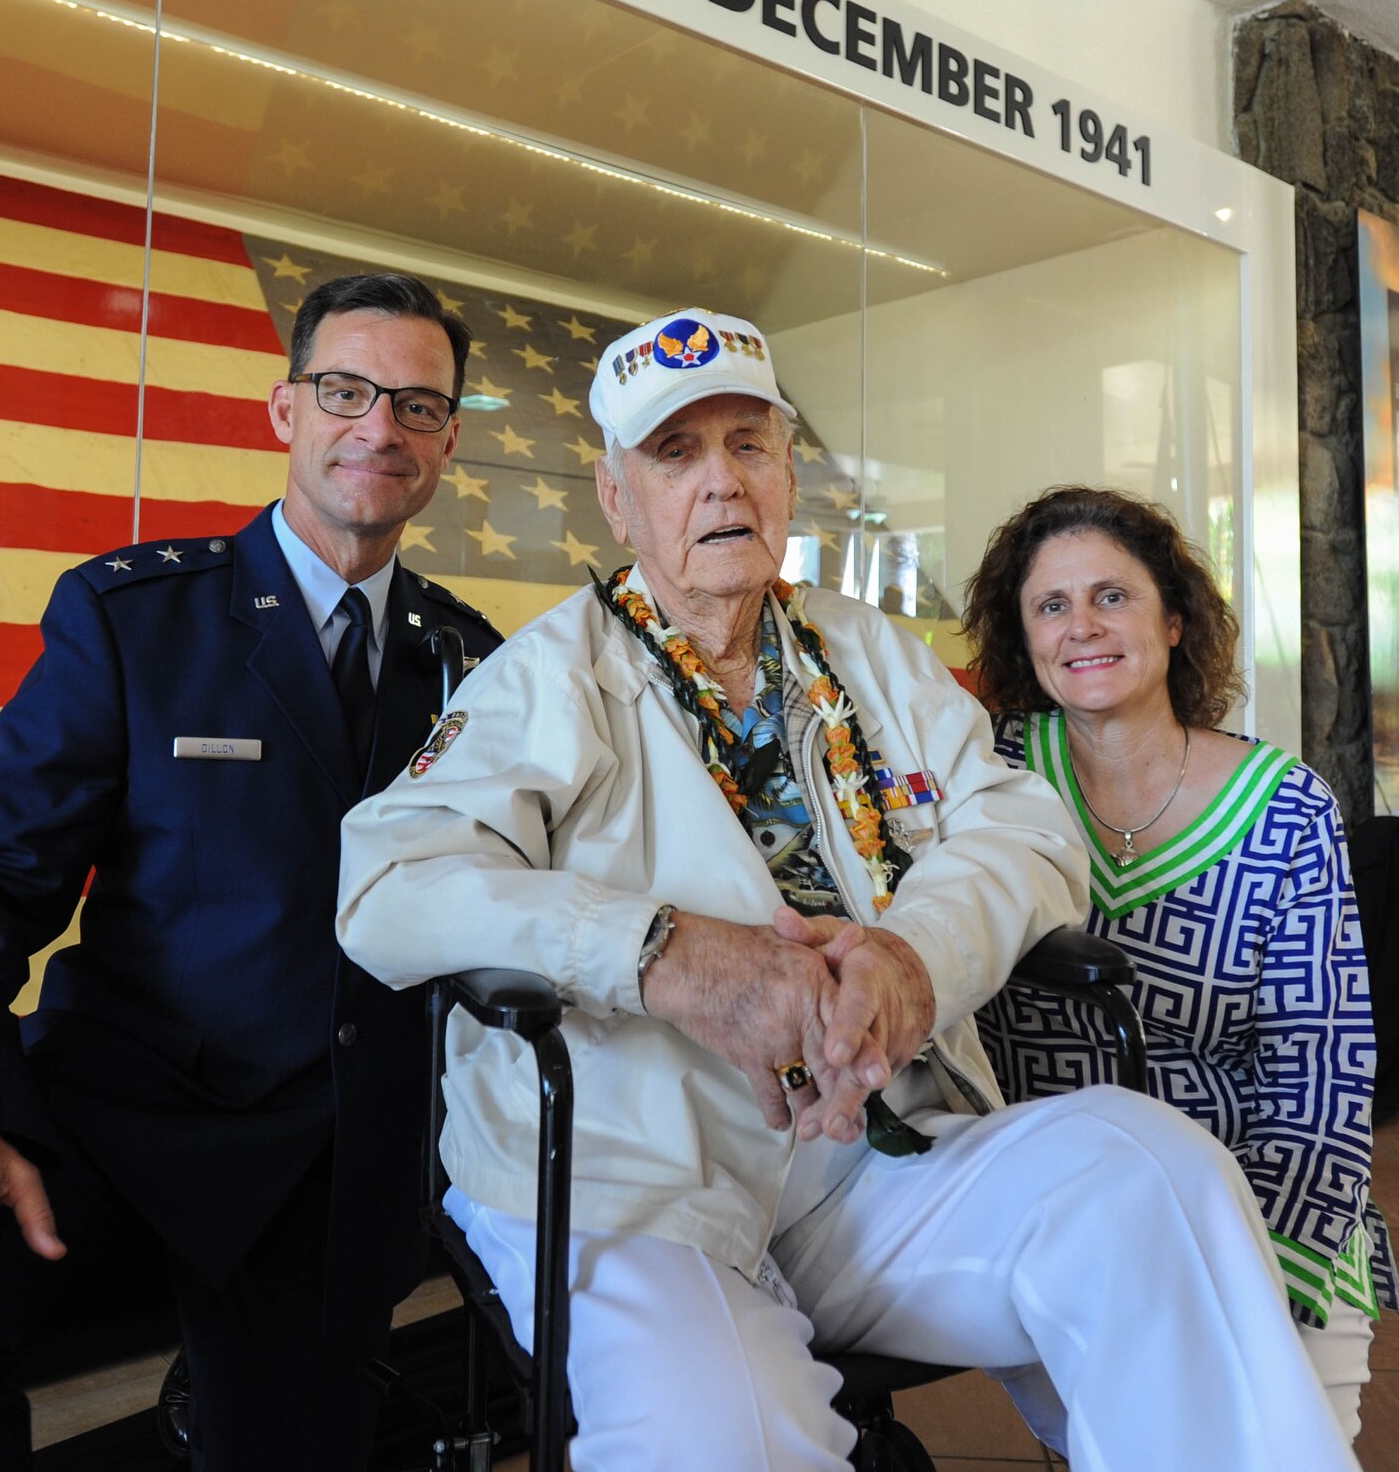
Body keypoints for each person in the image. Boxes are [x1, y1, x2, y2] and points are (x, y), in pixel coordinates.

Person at [336, 307, 1358, 1472]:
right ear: (617, 499)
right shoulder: (547, 674)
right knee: (724, 1436)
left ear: (783, 472)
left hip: (878, 1149)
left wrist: (912, 957)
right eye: (675, 453)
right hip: (636, 1179)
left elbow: (1019, 823)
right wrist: (660, 952)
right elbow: (387, 882)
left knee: (1146, 1174)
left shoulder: (861, 649)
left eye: (748, 443)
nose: (720, 481)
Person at [0, 271, 502, 1470]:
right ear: (285, 409)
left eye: (417, 404)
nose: (378, 427)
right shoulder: (133, 619)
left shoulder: (473, 664)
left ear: (443, 439)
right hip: (118, 1115)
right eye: (346, 389)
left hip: (336, 1163)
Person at [964, 483, 1396, 1444]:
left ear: (1174, 622)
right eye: (1051, 605)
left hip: (1258, 1202)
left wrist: (1266, 1281)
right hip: (1055, 1218)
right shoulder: (981, 775)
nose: (1082, 627)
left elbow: (1318, 1068)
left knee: (1281, 1442)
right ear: (1023, 640)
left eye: (1111, 597)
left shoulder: (1285, 806)